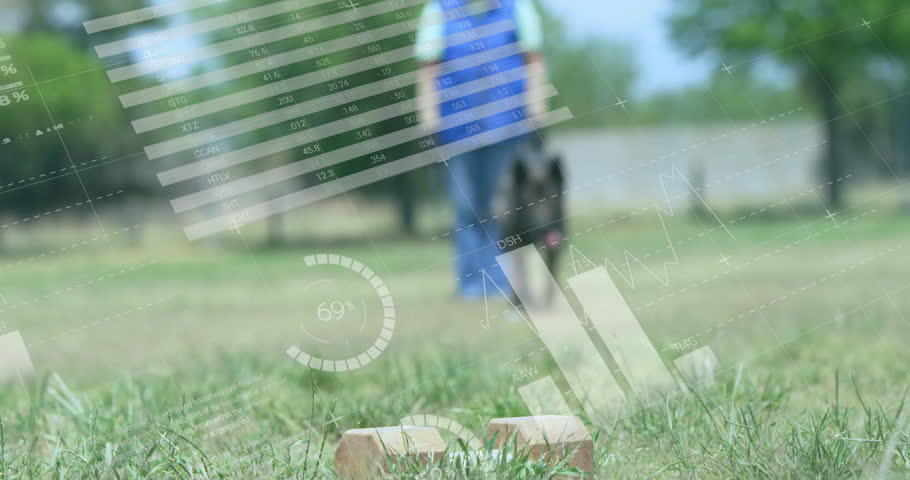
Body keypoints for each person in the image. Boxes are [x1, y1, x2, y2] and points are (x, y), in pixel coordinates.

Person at [415, 0, 550, 300]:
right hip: (456, 132)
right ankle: (472, 288)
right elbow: (428, 72)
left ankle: (505, 285)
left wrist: (539, 119)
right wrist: (428, 127)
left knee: (504, 208)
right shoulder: (437, 12)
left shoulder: (518, 9)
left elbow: (534, 64)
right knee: (466, 210)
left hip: (507, 129)